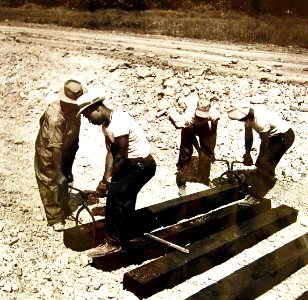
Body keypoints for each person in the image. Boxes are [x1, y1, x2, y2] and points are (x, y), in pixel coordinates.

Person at [76, 88, 156, 257]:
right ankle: (125, 232)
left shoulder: (119, 122)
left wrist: (109, 184)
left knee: (117, 194)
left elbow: (120, 158)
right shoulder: (106, 126)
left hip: (143, 165)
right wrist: (104, 179)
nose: (88, 121)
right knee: (121, 194)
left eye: (87, 116)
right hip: (130, 163)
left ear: (97, 109)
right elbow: (111, 154)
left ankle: (113, 243)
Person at [34, 79, 87, 231]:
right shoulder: (55, 116)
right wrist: (58, 173)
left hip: (67, 149)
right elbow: (55, 148)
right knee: (50, 181)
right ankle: (55, 217)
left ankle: (64, 208)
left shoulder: (76, 109)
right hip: (49, 152)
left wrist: (69, 158)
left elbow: (74, 132)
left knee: (65, 179)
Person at [227, 99, 295, 196]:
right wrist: (247, 154)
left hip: (284, 137)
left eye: (240, 119)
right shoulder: (248, 116)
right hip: (273, 137)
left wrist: (259, 159)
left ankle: (258, 194)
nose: (239, 120)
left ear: (245, 115)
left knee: (264, 162)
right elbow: (248, 136)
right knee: (266, 162)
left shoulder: (260, 119)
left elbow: (265, 142)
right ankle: (268, 180)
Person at [168, 94, 220, 196]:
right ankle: (182, 182)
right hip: (189, 128)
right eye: (199, 115)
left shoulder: (214, 114)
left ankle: (204, 177)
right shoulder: (188, 116)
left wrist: (210, 152)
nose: (201, 118)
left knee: (207, 152)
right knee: (185, 153)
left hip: (204, 127)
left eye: (203, 116)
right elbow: (191, 136)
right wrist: (199, 151)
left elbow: (213, 133)